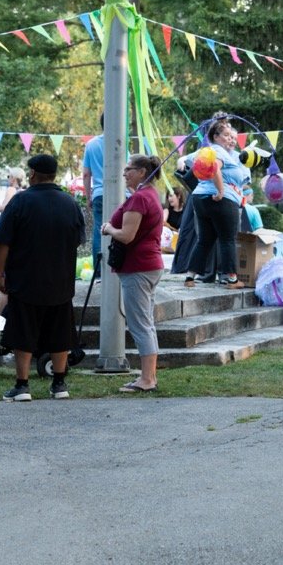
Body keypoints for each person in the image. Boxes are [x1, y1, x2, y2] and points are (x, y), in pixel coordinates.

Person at [0, 154, 86, 402]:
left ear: (33, 174)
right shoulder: (70, 203)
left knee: (23, 332)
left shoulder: (19, 202)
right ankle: (59, 384)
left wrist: (1, 273)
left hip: (26, 280)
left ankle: (22, 385)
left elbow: (2, 242)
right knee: (60, 333)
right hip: (61, 281)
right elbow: (77, 242)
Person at [102, 154, 166, 392]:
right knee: (146, 323)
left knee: (140, 324)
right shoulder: (150, 196)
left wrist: (109, 228)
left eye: (129, 169)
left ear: (142, 172)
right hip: (149, 265)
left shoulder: (140, 198)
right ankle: (149, 376)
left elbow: (127, 235)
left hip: (138, 266)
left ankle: (147, 379)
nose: (124, 173)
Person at [183, 115, 250, 288]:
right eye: (227, 136)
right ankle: (232, 279)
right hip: (221, 200)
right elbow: (213, 167)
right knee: (227, 239)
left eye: (234, 137)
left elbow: (191, 163)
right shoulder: (218, 152)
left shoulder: (207, 150)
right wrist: (221, 191)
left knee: (205, 240)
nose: (232, 140)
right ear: (215, 137)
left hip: (200, 198)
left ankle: (190, 276)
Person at [81, 113, 105, 272]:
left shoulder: (91, 145)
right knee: (118, 230)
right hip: (121, 194)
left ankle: (99, 272)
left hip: (99, 193)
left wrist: (88, 196)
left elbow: (86, 174)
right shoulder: (121, 142)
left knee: (98, 231)